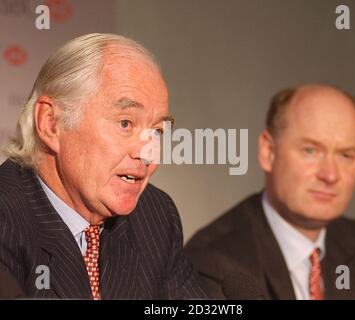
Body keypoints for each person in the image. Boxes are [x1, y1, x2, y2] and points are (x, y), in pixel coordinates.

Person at [0, 33, 206, 299]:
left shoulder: (154, 216)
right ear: (51, 123)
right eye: (125, 124)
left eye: (157, 131)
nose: (149, 154)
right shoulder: (6, 220)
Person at [184, 84, 355, 299]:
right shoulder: (211, 263)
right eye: (310, 150)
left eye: (346, 155)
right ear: (268, 152)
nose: (330, 175)